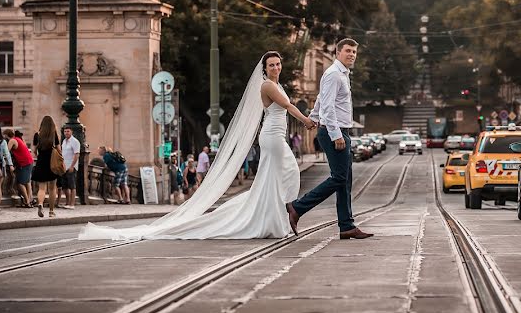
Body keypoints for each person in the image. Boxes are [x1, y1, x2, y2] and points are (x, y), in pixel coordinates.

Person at [79, 50, 316, 240]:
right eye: (271, 65)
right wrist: (305, 119)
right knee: (285, 173)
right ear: (264, 68)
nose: (275, 67)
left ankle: (274, 219)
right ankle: (273, 218)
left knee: (275, 178)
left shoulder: (278, 84)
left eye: (277, 64)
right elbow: (286, 105)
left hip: (276, 136)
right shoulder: (268, 86)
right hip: (272, 137)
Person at [288, 38, 374, 240]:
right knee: (340, 178)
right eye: (347, 51)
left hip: (340, 131)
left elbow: (320, 100)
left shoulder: (342, 74)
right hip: (334, 132)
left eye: (354, 51)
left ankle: (346, 226)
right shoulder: (334, 74)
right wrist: (336, 135)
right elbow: (328, 106)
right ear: (338, 52)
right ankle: (297, 207)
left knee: (345, 180)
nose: (352, 54)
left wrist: (313, 117)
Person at [31, 116, 60, 218]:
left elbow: (34, 151)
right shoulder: (54, 135)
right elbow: (59, 149)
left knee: (42, 188)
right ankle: (51, 211)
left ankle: (40, 204)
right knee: (52, 188)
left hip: (41, 162)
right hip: (52, 163)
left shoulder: (37, 135)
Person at [5, 129, 34, 208]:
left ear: (6, 135)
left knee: (20, 183)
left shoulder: (12, 140)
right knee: (27, 182)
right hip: (29, 161)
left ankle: (27, 201)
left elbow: (6, 152)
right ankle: (29, 201)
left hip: (24, 163)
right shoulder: (18, 139)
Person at [57, 127, 81, 209]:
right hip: (64, 167)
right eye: (65, 131)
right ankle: (67, 203)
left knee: (72, 186)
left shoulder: (75, 142)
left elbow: (76, 154)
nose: (66, 133)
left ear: (71, 132)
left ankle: (72, 204)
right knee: (65, 186)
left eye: (68, 131)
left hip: (71, 166)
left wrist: (72, 166)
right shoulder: (64, 141)